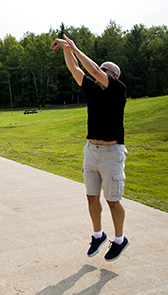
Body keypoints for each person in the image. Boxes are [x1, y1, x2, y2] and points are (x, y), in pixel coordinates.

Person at [51, 35, 129, 261]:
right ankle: (98, 235)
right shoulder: (93, 89)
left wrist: (75, 46)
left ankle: (120, 240)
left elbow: (94, 70)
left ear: (112, 76)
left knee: (113, 201)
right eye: (102, 68)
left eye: (106, 70)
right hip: (91, 151)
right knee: (91, 197)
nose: (100, 71)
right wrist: (66, 48)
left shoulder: (117, 89)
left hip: (112, 153)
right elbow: (75, 68)